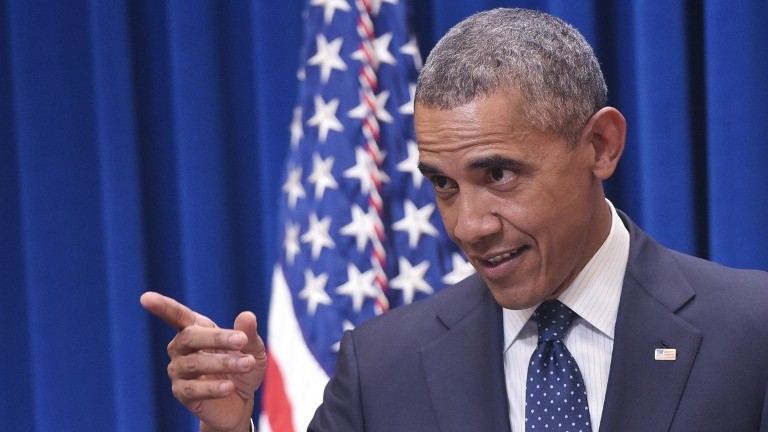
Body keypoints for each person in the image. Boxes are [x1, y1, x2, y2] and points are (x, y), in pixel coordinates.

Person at [141, 8, 768, 432]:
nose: (468, 226)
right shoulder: (382, 367)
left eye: (498, 175)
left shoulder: (751, 330)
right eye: (443, 184)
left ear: (601, 145)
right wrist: (229, 426)